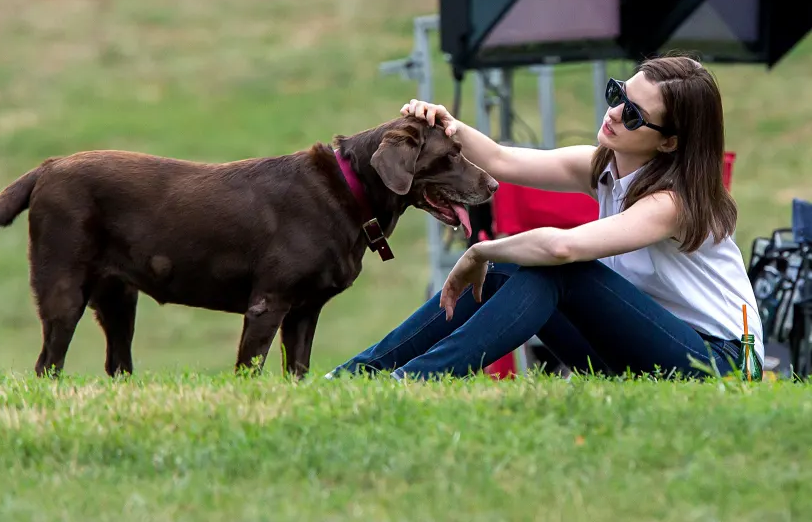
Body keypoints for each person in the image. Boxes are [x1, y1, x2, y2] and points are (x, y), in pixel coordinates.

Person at [327, 56, 764, 381]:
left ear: (669, 143)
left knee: (557, 268)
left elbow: (562, 248)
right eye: (617, 95)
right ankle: (356, 375)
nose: (613, 113)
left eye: (633, 115)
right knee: (511, 269)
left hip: (721, 363)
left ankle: (415, 379)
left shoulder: (673, 202)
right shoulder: (602, 168)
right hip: (642, 353)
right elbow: (501, 160)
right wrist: (446, 122)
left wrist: (480, 251)